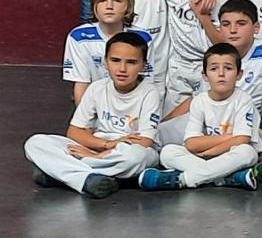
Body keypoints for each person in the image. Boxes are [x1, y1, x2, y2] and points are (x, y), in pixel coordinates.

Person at [25, 32, 161, 198]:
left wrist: (98, 156)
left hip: (127, 151)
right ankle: (92, 178)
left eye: (131, 62)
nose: (122, 69)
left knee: (135, 158)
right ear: (105, 62)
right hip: (97, 145)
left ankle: (64, 175)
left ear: (143, 66)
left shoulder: (150, 93)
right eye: (115, 60)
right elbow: (74, 132)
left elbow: (144, 141)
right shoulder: (97, 88)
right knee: (35, 143)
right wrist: (105, 146)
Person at [139, 43, 261, 191]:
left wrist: (209, 153)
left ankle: (182, 180)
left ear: (239, 74)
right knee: (168, 152)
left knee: (247, 153)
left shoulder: (244, 99)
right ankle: (223, 177)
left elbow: (242, 140)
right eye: (214, 69)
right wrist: (229, 137)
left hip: (227, 154)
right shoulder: (199, 101)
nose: (221, 74)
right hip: (207, 157)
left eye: (228, 68)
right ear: (205, 75)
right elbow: (191, 144)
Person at [215, 0, 262, 153]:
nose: (232, 30)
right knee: (165, 135)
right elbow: (199, 99)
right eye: (226, 24)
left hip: (252, 129)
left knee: (244, 153)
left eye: (241, 24)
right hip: (216, 125)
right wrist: (167, 121)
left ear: (256, 28)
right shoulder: (217, 53)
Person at [63, 0, 153, 104]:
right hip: (93, 105)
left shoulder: (143, 38)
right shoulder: (78, 37)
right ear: (94, 5)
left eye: (117, 0)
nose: (109, 6)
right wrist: (84, 116)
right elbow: (81, 84)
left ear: (128, 6)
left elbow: (146, 84)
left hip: (132, 105)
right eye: (102, 0)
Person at [161, 0, 218, 117]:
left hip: (207, 66)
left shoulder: (221, 0)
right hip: (179, 65)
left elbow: (221, 42)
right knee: (171, 121)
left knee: (205, 118)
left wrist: (203, 13)